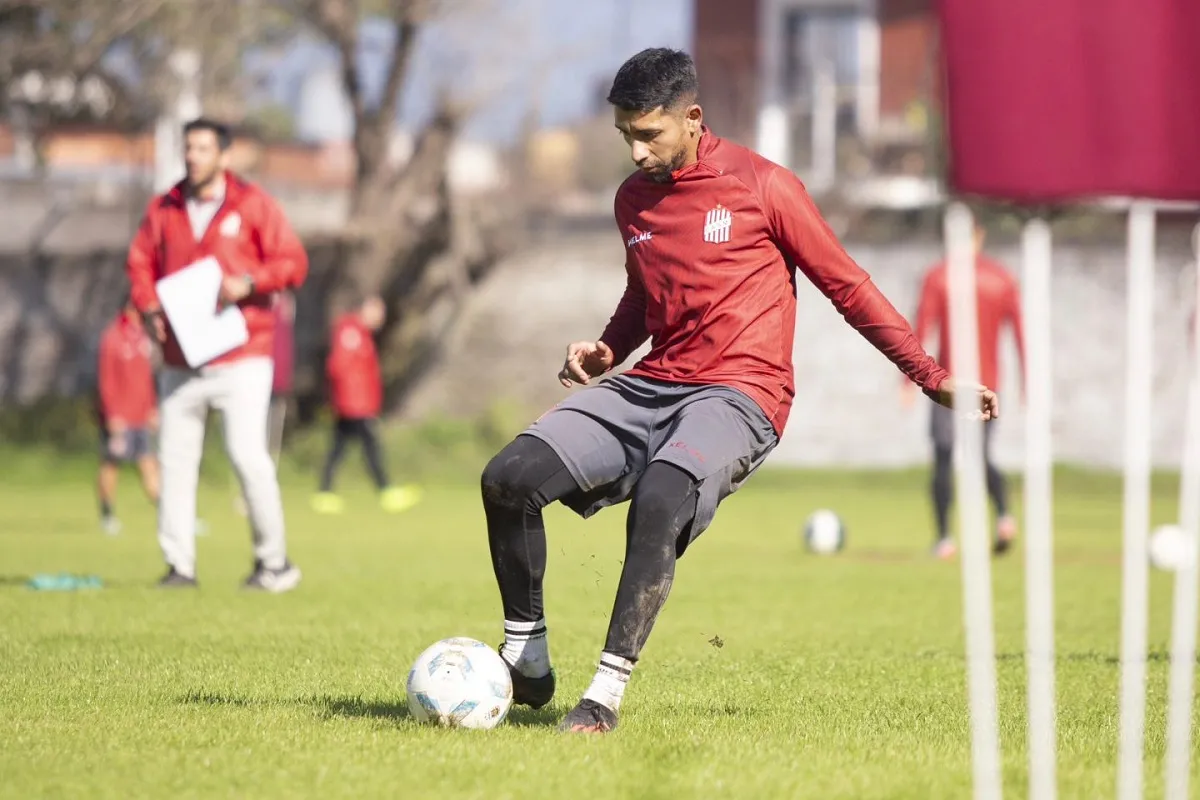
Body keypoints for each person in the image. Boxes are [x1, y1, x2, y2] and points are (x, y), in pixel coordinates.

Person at [479, 48, 998, 734]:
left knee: (664, 495)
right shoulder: (632, 200)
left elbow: (848, 286)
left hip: (740, 394)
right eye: (625, 136)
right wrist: (609, 349)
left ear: (691, 119)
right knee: (508, 478)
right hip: (650, 385)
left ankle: (603, 695)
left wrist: (930, 376)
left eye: (648, 134)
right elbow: (645, 292)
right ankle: (528, 653)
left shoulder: (764, 185)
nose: (635, 152)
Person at [125, 117, 308, 591]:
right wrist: (146, 306)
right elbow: (141, 261)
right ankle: (179, 567)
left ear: (223, 156)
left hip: (244, 352)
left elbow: (293, 262)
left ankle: (274, 564)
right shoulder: (164, 207)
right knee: (175, 462)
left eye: (203, 148)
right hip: (181, 359)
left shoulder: (253, 204)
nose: (193, 156)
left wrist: (247, 283)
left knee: (248, 457)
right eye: (189, 148)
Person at [904, 224, 1025, 560]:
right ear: (981, 235)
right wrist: (1028, 383)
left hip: (948, 386)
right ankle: (1004, 516)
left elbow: (920, 328)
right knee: (982, 455)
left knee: (944, 458)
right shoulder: (1002, 278)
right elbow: (1020, 334)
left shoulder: (938, 276)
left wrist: (906, 382)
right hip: (988, 386)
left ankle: (944, 539)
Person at [312, 295, 421, 514]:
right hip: (354, 405)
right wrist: (351, 403)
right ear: (364, 309)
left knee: (339, 447)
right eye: (377, 312)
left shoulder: (361, 334)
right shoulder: (350, 332)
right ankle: (385, 490)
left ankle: (325, 491)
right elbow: (339, 368)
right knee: (371, 447)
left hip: (357, 403)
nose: (380, 318)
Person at [95, 296, 160, 535]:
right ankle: (107, 514)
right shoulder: (113, 338)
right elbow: (106, 379)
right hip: (120, 418)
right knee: (111, 465)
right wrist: (112, 414)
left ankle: (169, 515)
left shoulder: (143, 338)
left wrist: (152, 407)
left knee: (149, 465)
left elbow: (146, 379)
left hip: (141, 416)